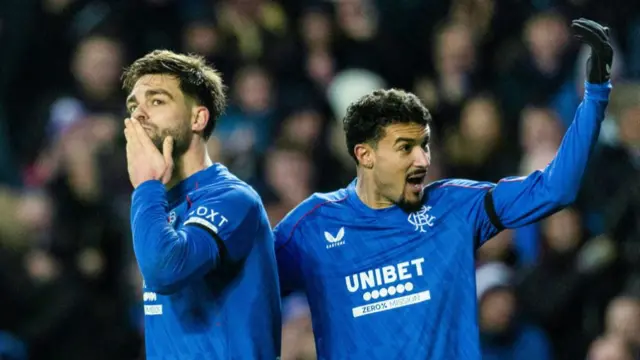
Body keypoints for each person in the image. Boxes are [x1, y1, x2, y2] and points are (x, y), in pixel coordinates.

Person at [274, 18, 613, 359]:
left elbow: (555, 191)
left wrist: (596, 94)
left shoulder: (455, 206)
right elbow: (241, 290)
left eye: (425, 146)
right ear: (365, 155)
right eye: (406, 148)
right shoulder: (313, 226)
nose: (422, 160)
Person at [122, 50, 281, 359]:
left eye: (157, 101)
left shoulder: (232, 199)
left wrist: (146, 185)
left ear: (198, 117)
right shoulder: (155, 203)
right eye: (133, 105)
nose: (139, 114)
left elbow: (166, 269)